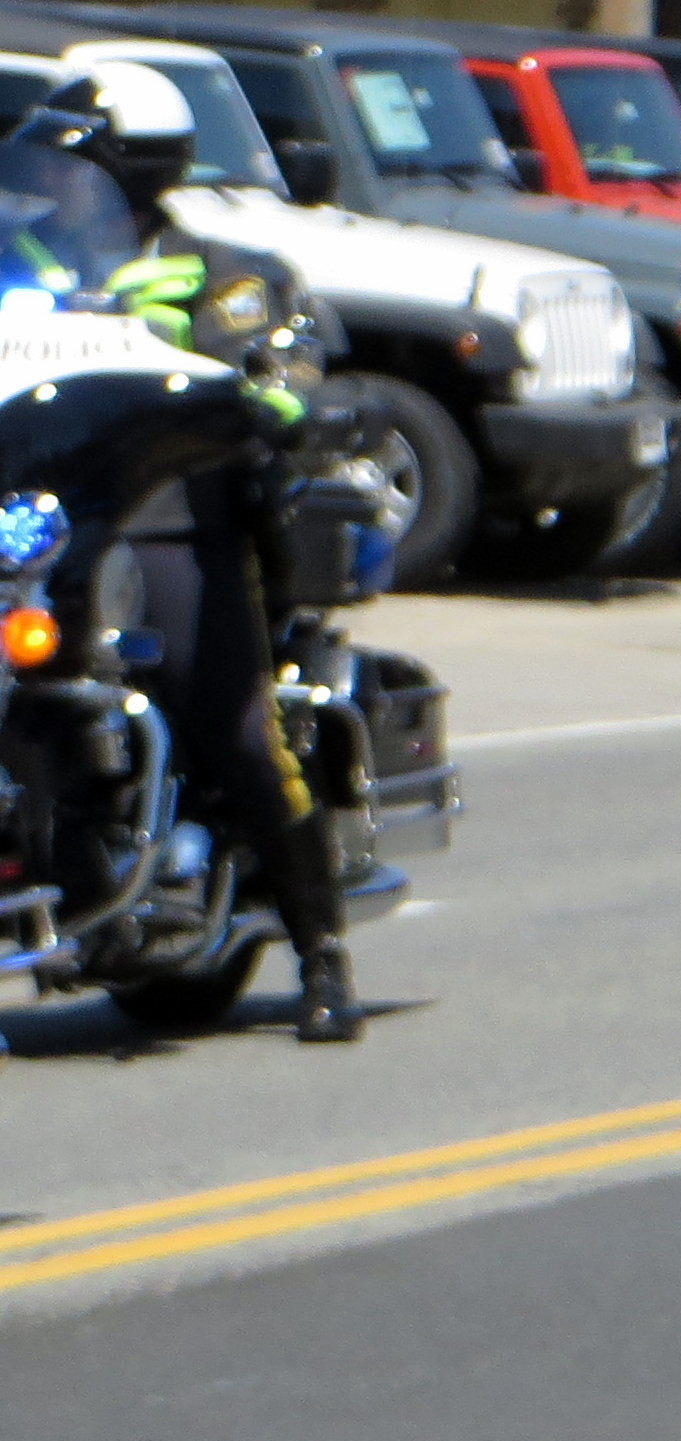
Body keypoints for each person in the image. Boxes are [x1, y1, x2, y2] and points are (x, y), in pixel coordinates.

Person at [17, 65, 359, 1039]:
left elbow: (281, 377)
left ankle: (320, 947)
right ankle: (68, 871)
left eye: (74, 165)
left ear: (128, 175)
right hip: (47, 520)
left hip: (174, 517)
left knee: (242, 729)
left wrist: (266, 393)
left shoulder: (226, 275)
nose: (56, 183)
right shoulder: (27, 266)